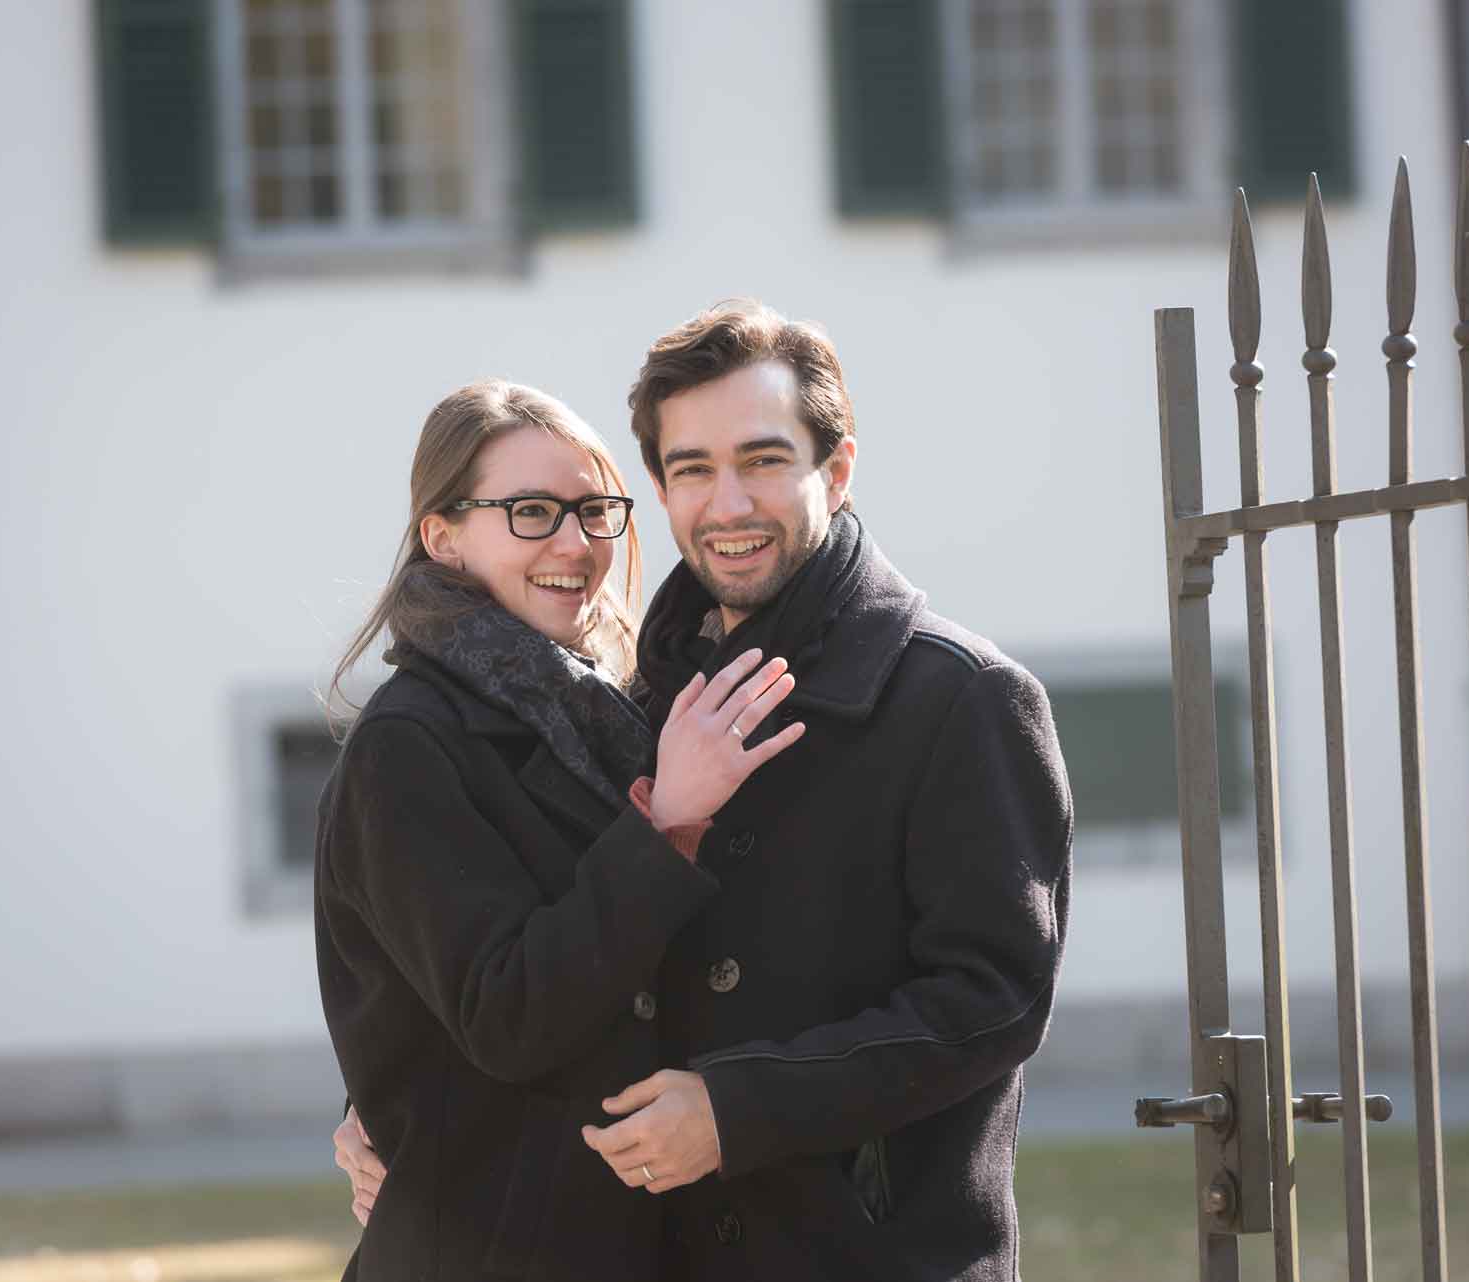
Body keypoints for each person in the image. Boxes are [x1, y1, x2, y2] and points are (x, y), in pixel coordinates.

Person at [339, 308, 1074, 1281]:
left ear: (838, 469)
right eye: (691, 469)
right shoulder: (635, 699)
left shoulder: (962, 695)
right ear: (662, 487)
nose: (727, 503)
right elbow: (529, 961)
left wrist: (737, 1111)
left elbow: (994, 1000)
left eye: (763, 459)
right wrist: (400, 1105)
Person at [315, 379, 804, 1282]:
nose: (576, 545)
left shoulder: (615, 712)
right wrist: (664, 824)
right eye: (532, 512)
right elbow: (504, 1013)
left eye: (595, 511)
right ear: (444, 536)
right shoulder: (408, 745)